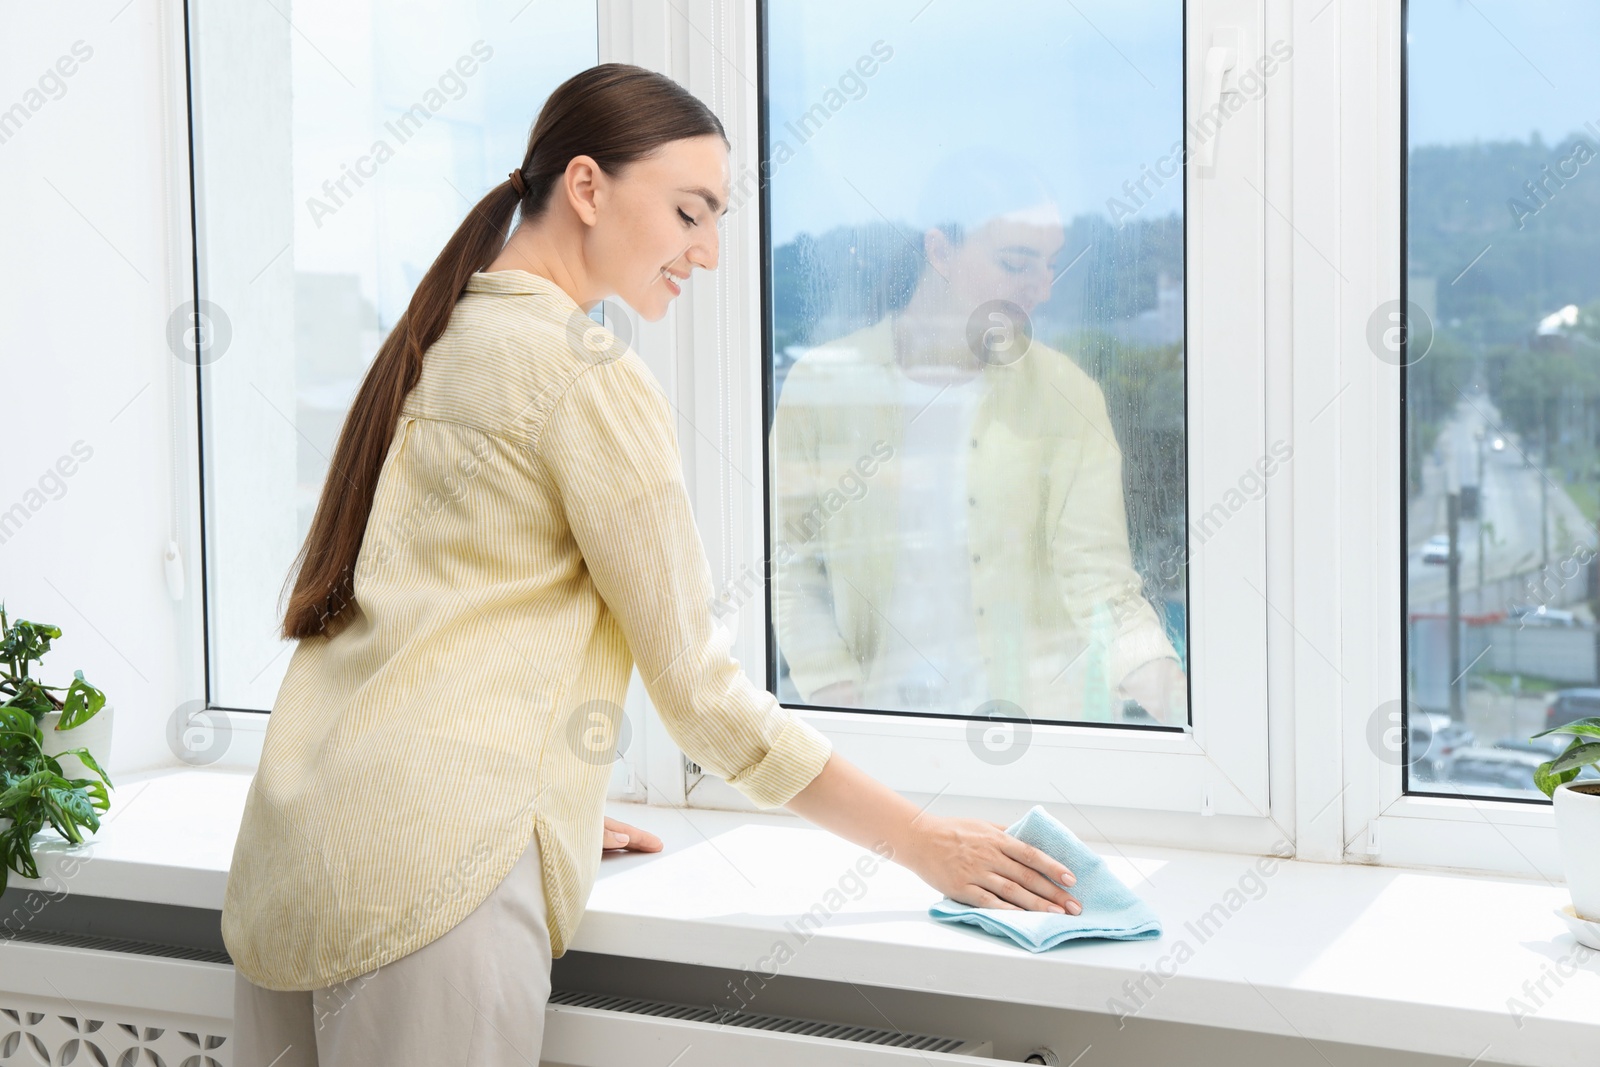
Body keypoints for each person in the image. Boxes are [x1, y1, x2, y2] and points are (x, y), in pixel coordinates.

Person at [222, 64, 1082, 1067]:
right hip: (431, 878)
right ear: (587, 187)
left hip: (300, 846)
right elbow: (700, 693)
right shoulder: (582, 372)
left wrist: (545, 792)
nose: (708, 251)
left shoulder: (442, 336)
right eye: (689, 212)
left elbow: (436, 612)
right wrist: (924, 841)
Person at [771, 147, 1187, 727]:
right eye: (1017, 263)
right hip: (876, 740)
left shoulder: (1068, 395)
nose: (1040, 287)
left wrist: (1191, 715)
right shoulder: (825, 385)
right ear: (939, 250)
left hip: (1041, 737)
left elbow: (1102, 585)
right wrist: (842, 702)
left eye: (1049, 264)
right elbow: (791, 565)